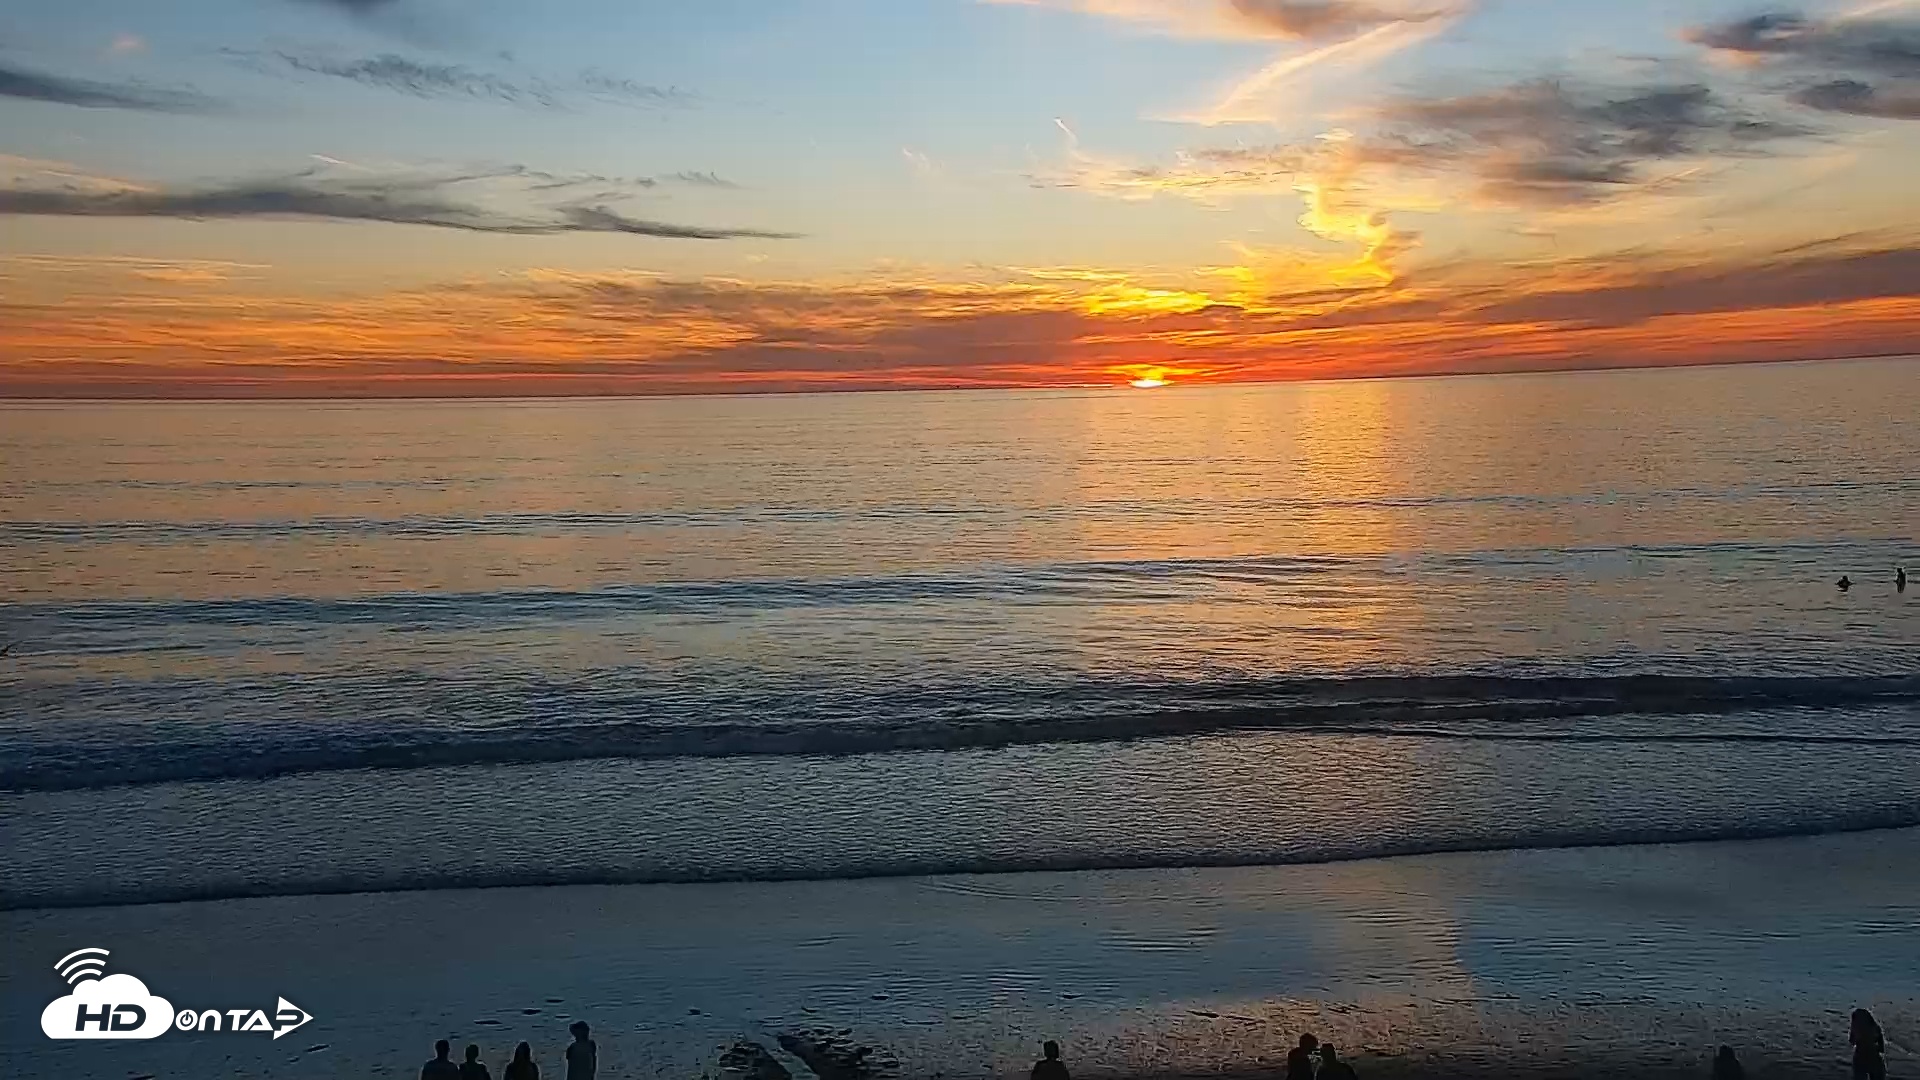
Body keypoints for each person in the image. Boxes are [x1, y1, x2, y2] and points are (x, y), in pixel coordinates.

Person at [1851, 1008, 1886, 1080]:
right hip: (1874, 1056)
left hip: (1860, 1056)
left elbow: (1852, 1041)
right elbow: (1881, 1045)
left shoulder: (1856, 1029)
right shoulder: (1875, 1028)